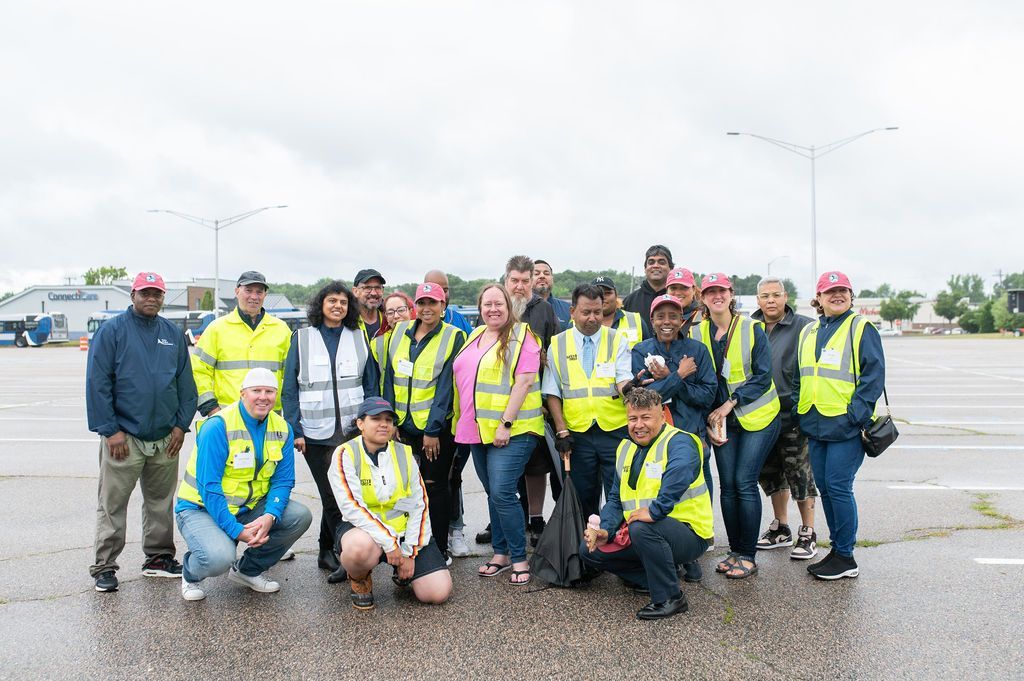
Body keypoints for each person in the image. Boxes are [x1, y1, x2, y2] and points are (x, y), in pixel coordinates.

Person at [86, 272, 197, 592]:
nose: (151, 298)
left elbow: (185, 384)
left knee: (160, 502)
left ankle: (158, 558)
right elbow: (98, 383)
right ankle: (105, 566)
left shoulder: (172, 334)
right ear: (133, 295)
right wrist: (111, 431)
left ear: (163, 298)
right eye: (145, 293)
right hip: (124, 438)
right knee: (112, 504)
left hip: (165, 438)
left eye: (157, 293)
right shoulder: (112, 331)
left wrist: (180, 426)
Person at [175, 368, 312, 601]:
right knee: (219, 557)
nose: (263, 397)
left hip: (249, 506)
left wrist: (270, 515)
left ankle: (247, 571)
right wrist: (237, 531)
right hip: (202, 508)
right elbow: (209, 487)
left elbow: (283, 480)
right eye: (256, 391)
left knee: (299, 516)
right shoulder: (218, 426)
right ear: (242, 394)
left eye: (269, 392)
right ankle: (190, 573)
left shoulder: (282, 428)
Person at [581, 388, 713, 621]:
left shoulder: (680, 442)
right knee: (590, 552)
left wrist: (655, 511)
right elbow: (616, 499)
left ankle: (670, 597)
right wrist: (606, 530)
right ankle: (659, 576)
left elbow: (680, 472)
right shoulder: (625, 448)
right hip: (645, 532)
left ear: (662, 416)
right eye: (633, 418)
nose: (638, 425)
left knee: (642, 528)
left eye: (646, 417)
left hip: (689, 534)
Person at [282, 281, 379, 583]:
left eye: (343, 302)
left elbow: (371, 384)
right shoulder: (302, 338)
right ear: (320, 305)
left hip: (352, 432)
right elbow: (289, 389)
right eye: (332, 301)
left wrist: (370, 424)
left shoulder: (358, 337)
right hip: (315, 434)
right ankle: (343, 555)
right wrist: (295, 428)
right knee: (332, 497)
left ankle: (327, 550)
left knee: (345, 493)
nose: (338, 306)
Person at [794, 271, 884, 580]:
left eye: (843, 290)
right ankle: (837, 550)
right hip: (815, 422)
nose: (837, 295)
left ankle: (846, 556)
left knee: (838, 487)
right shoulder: (809, 331)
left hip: (845, 425)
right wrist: (799, 410)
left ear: (851, 296)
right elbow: (800, 375)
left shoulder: (860, 328)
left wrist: (855, 415)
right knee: (825, 488)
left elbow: (874, 376)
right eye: (830, 291)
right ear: (818, 298)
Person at [452, 284, 544, 584]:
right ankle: (500, 554)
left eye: (498, 304)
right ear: (480, 308)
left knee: (503, 492)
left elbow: (524, 382)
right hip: (477, 429)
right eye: (487, 304)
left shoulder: (523, 336)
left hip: (513, 430)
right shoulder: (476, 334)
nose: (492, 309)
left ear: (509, 306)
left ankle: (519, 559)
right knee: (494, 492)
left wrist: (505, 423)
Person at [691, 273, 781, 580]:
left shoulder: (752, 328)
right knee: (728, 486)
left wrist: (731, 403)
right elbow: (701, 381)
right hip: (721, 421)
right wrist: (708, 419)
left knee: (744, 481)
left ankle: (748, 555)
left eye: (722, 291)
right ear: (703, 297)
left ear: (731, 294)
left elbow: (763, 376)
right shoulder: (696, 332)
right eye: (710, 292)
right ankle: (734, 551)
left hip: (758, 415)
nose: (717, 296)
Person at [329, 397, 453, 609]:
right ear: (360, 424)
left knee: (437, 592)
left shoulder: (404, 453)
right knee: (358, 549)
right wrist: (390, 543)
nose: (384, 424)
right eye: (376, 419)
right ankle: (360, 579)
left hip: (404, 530)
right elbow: (351, 507)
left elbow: (420, 504)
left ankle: (403, 572)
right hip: (364, 532)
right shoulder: (345, 453)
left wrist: (409, 552)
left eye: (388, 420)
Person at [381, 282, 466, 560]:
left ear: (443, 306)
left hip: (434, 431)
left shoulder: (453, 336)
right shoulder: (399, 332)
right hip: (402, 428)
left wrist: (433, 430)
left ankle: (439, 549)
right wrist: (390, 421)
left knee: (435, 486)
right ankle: (407, 544)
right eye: (422, 303)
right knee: (404, 488)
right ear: (414, 306)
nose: (427, 308)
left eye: (433, 303)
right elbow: (390, 379)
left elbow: (446, 387)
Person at [543, 283, 633, 519]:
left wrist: (629, 388)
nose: (592, 318)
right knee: (584, 496)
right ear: (572, 312)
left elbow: (623, 378)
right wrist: (561, 431)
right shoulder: (558, 344)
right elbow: (552, 391)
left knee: (618, 493)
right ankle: (588, 540)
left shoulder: (617, 339)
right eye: (586, 312)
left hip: (615, 430)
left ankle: (616, 538)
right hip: (578, 433)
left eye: (597, 312)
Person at [750, 277, 818, 560]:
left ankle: (808, 531)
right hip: (760, 415)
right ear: (758, 300)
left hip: (792, 414)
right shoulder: (749, 327)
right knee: (771, 474)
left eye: (776, 295)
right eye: (765, 296)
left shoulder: (804, 326)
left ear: (785, 296)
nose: (771, 300)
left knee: (799, 473)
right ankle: (781, 527)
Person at [631, 294, 717, 494]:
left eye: (673, 316)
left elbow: (707, 396)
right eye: (660, 316)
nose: (667, 322)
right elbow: (642, 400)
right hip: (652, 437)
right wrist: (678, 375)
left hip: (691, 434)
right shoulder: (641, 351)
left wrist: (668, 378)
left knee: (698, 494)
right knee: (657, 495)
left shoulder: (698, 350)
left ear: (682, 319)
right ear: (652, 320)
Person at [504, 255, 560, 546]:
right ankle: (502, 519)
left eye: (525, 281)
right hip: (498, 402)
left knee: (536, 467)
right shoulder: (496, 306)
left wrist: (548, 396)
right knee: (502, 468)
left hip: (534, 402)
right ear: (506, 280)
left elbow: (555, 354)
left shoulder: (544, 309)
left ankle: (536, 519)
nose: (520, 286)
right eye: (514, 280)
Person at [422, 268, 473, 557]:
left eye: (445, 289)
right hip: (416, 423)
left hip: (450, 420)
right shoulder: (412, 326)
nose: (441, 294)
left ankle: (456, 530)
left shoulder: (459, 322)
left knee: (453, 477)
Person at [192, 271, 292, 415]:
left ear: (265, 295)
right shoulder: (217, 329)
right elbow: (199, 371)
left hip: (270, 417)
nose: (254, 296)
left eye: (259, 292)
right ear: (237, 291)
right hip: (227, 416)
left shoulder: (281, 330)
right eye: (248, 290)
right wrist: (211, 408)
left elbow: (292, 377)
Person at [592, 276, 652, 350]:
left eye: (607, 293)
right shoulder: (580, 323)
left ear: (616, 295)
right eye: (597, 294)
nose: (602, 297)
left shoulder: (636, 321)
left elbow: (649, 351)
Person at [622, 245, 673, 322]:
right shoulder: (629, 301)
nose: (656, 266)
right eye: (651, 262)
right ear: (645, 268)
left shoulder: (678, 298)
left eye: (661, 262)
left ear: (671, 268)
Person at [424, 269, 473, 335]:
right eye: (436, 290)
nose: (442, 295)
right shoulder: (413, 322)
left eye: (445, 290)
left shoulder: (459, 319)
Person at [532, 259, 571, 330]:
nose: (542, 276)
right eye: (536, 274)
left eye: (546, 273)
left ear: (552, 278)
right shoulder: (519, 308)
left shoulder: (568, 309)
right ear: (528, 279)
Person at [353, 268, 388, 344]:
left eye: (378, 288)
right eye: (367, 288)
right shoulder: (345, 321)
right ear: (355, 291)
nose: (373, 293)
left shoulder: (389, 320)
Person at [665, 267, 701, 332]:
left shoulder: (705, 317)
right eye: (673, 288)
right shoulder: (660, 317)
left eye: (684, 288)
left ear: (694, 290)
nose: (678, 293)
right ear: (667, 290)